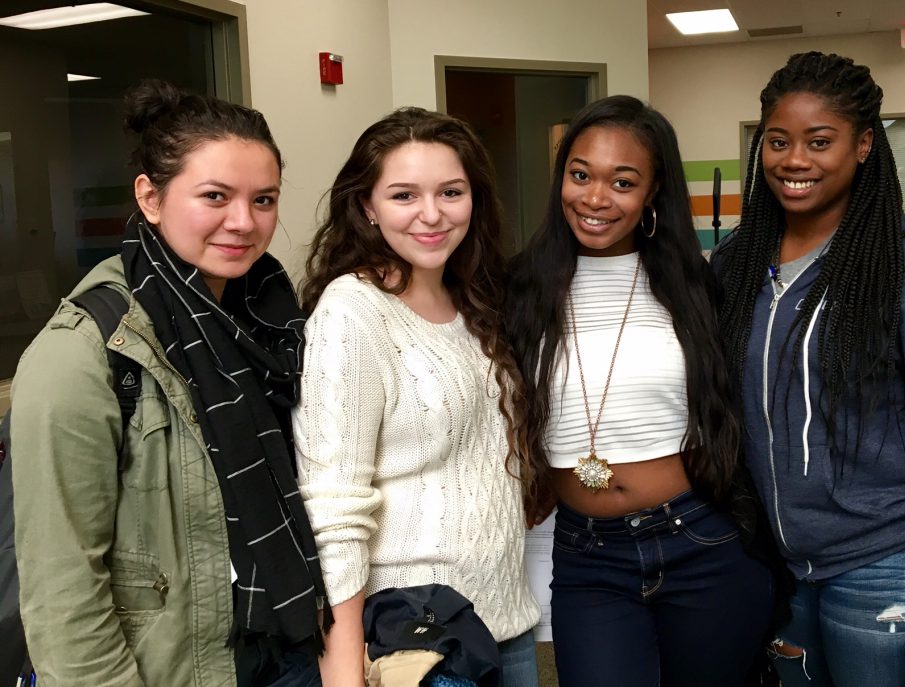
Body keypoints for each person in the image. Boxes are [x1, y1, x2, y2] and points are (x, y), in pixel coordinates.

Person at [11, 80, 329, 686]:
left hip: (287, 645)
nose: (244, 222)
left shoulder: (271, 319)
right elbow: (62, 589)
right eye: (215, 196)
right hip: (179, 668)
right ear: (150, 198)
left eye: (264, 200)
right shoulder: (82, 353)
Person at [712, 52, 905, 687]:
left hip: (880, 566)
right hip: (773, 565)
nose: (794, 161)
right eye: (778, 141)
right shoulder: (734, 264)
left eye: (820, 141)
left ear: (865, 145)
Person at [506, 95, 775, 687]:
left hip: (698, 537)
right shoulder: (521, 287)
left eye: (622, 182)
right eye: (580, 175)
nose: (595, 199)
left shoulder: (692, 284)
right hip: (588, 553)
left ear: (653, 192)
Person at [294, 107, 542, 687]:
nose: (432, 215)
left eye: (451, 192)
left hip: (505, 621)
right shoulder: (352, 311)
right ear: (367, 207)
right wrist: (344, 658)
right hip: (412, 636)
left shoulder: (476, 300)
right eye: (404, 195)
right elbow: (333, 500)